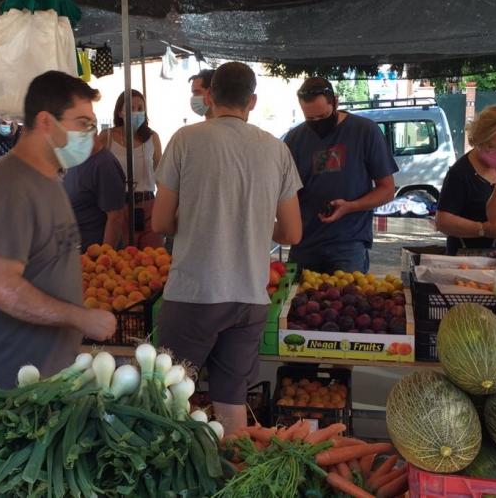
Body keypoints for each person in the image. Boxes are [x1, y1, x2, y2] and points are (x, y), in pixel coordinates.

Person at [0, 71, 117, 396]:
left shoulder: (48, 180)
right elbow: (1, 287)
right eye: (82, 123)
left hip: (36, 385)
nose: (90, 135)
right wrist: (79, 317)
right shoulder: (8, 187)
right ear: (46, 122)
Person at [153, 62, 303, 436]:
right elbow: (292, 232)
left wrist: (199, 220)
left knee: (170, 397)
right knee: (231, 402)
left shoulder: (185, 139)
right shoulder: (277, 149)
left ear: (209, 96)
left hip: (194, 295)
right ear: (252, 101)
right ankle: (232, 477)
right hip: (250, 299)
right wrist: (249, 223)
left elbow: (159, 223)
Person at [284, 77, 398, 273]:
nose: (317, 123)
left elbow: (387, 190)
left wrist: (351, 207)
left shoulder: (365, 131)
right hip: (304, 243)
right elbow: (285, 191)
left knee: (347, 300)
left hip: (348, 244)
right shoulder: (294, 139)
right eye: (310, 119)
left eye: (323, 115)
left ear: (335, 101)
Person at [436, 105, 496, 254]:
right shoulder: (460, 173)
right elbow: (443, 221)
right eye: (494, 147)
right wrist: (482, 229)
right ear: (478, 140)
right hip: (466, 259)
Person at [99, 89, 163, 248]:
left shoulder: (152, 137)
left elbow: (160, 175)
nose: (136, 112)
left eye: (140, 108)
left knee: (154, 259)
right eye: (131, 108)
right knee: (122, 260)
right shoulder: (106, 137)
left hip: (149, 205)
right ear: (120, 112)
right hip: (118, 208)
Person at [63, 136, 126, 251]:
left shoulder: (104, 164)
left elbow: (115, 218)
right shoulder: (73, 160)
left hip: (93, 254)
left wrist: (103, 257)